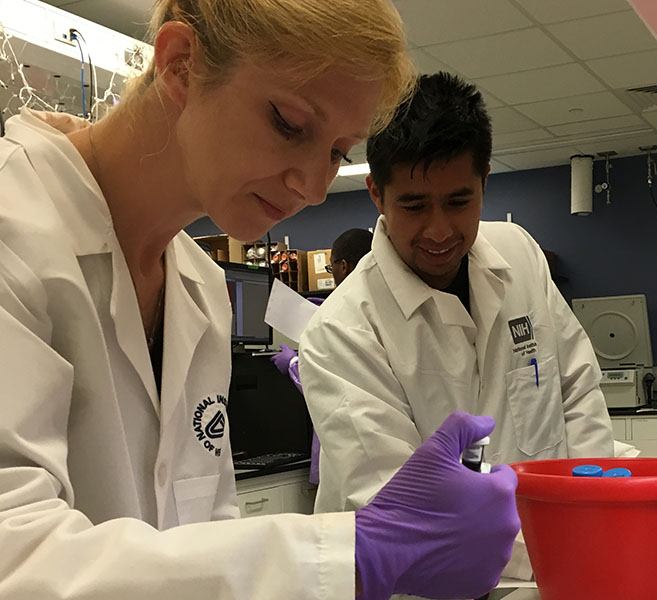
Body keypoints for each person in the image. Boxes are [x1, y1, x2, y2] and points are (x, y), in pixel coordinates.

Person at [0, 2, 519, 598]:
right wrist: (353, 554)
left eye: (335, 153)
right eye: (290, 124)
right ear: (180, 64)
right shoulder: (13, 227)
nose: (315, 187)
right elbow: (14, 559)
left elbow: (202, 536)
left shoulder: (198, 290)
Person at [298, 73, 614, 517]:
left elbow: (577, 391)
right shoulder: (342, 333)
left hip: (551, 552)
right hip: (418, 580)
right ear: (376, 194)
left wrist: (591, 512)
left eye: (458, 201)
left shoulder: (518, 253)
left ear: (484, 180)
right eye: (414, 206)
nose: (440, 230)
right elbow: (402, 507)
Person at [271, 227, 374, 484]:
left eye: (331, 269)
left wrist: (294, 363)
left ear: (343, 265)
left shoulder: (342, 317)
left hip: (348, 453)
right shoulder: (376, 308)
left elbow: (332, 390)